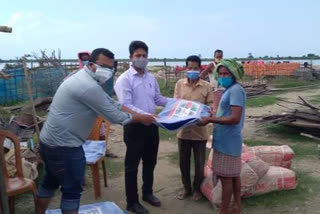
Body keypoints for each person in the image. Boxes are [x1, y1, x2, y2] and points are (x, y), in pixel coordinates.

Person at [36, 48, 155, 214]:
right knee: (72, 192)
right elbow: (115, 116)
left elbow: (112, 103)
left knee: (49, 182)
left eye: (110, 68)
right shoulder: (87, 87)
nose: (107, 71)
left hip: (49, 142)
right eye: (103, 66)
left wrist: (139, 113)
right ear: (91, 64)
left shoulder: (80, 77)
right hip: (65, 147)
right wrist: (141, 118)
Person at [114, 41, 170, 214]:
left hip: (152, 126)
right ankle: (132, 202)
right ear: (131, 57)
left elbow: (158, 98)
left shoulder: (150, 77)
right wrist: (146, 116)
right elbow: (125, 105)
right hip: (135, 126)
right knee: (132, 166)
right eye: (137, 55)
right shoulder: (124, 79)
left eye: (144, 55)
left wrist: (176, 103)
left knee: (150, 161)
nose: (141, 58)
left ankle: (148, 193)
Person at [200, 59, 246, 214]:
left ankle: (224, 211)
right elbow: (226, 113)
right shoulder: (230, 89)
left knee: (227, 178)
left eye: (226, 73)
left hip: (228, 142)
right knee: (234, 176)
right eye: (220, 74)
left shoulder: (235, 90)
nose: (222, 76)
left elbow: (235, 118)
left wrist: (211, 119)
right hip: (227, 140)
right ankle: (237, 206)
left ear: (233, 74)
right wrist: (213, 114)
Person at [174, 55, 213, 201]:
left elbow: (211, 106)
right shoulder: (179, 84)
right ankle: (186, 188)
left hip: (200, 131)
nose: (192, 70)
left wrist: (203, 115)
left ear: (200, 68)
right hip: (183, 131)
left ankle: (197, 189)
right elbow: (176, 103)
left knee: (199, 163)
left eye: (195, 68)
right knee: (183, 162)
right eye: (189, 67)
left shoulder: (206, 86)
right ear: (186, 68)